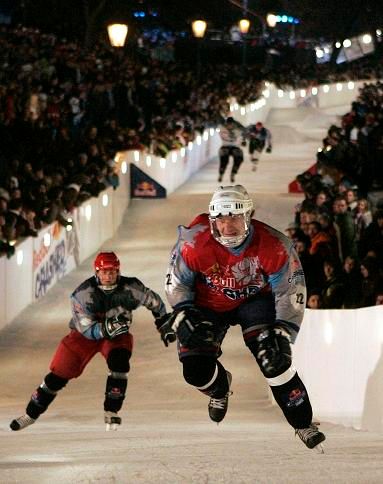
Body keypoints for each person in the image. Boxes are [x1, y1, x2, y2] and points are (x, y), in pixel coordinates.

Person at [163, 185, 326, 451]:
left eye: (235, 219)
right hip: (208, 303)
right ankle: (218, 388)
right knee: (194, 369)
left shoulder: (274, 244)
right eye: (222, 220)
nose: (228, 228)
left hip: (255, 300)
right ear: (212, 220)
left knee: (273, 357)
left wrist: (284, 330)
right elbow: (177, 280)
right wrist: (182, 309)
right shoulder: (193, 241)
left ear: (248, 216)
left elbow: (290, 289)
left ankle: (303, 422)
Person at [10, 251, 174, 432]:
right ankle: (30, 414)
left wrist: (164, 325)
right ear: (97, 272)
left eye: (112, 271)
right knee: (58, 375)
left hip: (116, 335)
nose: (108, 276)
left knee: (119, 364)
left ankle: (112, 409)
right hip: (83, 337)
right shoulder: (83, 293)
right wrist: (105, 329)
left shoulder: (131, 287)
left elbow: (155, 302)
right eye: (104, 272)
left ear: (118, 271)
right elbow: (85, 328)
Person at [218, 117, 246, 183]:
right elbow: (223, 135)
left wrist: (243, 141)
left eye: (231, 124)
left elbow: (244, 133)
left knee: (239, 158)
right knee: (224, 159)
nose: (230, 126)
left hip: (235, 146)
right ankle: (221, 173)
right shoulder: (222, 128)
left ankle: (233, 172)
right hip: (225, 146)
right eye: (228, 124)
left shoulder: (238, 129)